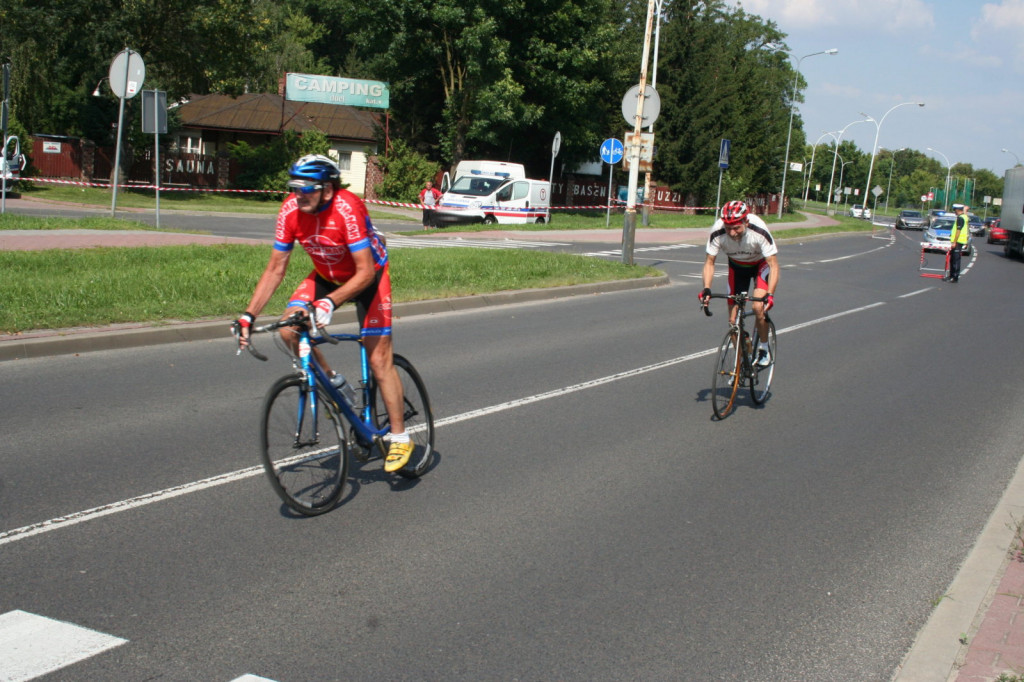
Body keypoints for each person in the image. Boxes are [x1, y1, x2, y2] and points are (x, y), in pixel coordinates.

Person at [234, 154, 415, 473]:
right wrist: (248, 315)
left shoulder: (348, 208)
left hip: (369, 277)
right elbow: (276, 268)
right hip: (327, 275)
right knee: (289, 329)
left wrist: (330, 303)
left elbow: (365, 273)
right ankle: (333, 380)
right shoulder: (290, 210)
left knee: (378, 359)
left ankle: (400, 437)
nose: (298, 195)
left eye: (307, 188)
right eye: (295, 187)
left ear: (328, 190)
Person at [698, 200, 779, 367]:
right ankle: (741, 361)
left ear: (746, 222)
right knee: (733, 321)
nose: (732, 233)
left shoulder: (759, 230)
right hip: (737, 267)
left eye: (737, 228)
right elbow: (709, 262)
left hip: (760, 266)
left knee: (757, 307)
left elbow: (773, 264)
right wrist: (706, 289)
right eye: (729, 228)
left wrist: (770, 294)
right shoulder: (718, 231)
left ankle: (764, 348)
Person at [947, 203, 969, 282]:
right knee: (953, 259)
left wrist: (954, 242)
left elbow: (958, 231)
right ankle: (951, 275)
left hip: (958, 241)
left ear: (957, 210)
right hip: (960, 241)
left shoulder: (960, 218)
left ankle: (954, 277)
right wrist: (965, 210)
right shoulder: (964, 217)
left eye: (954, 210)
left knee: (955, 260)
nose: (954, 212)